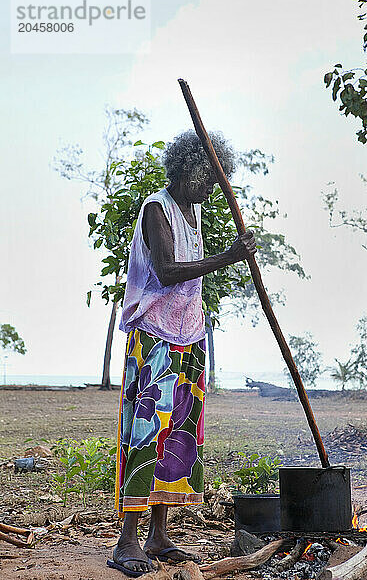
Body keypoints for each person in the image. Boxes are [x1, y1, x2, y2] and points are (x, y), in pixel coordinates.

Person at [108, 130, 256, 577]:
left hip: (190, 336)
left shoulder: (193, 213)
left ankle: (158, 535)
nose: (213, 186)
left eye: (217, 178)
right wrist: (228, 257)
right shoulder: (157, 208)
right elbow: (168, 271)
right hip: (154, 335)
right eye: (209, 177)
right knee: (146, 436)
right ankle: (126, 542)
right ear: (189, 170)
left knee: (179, 438)